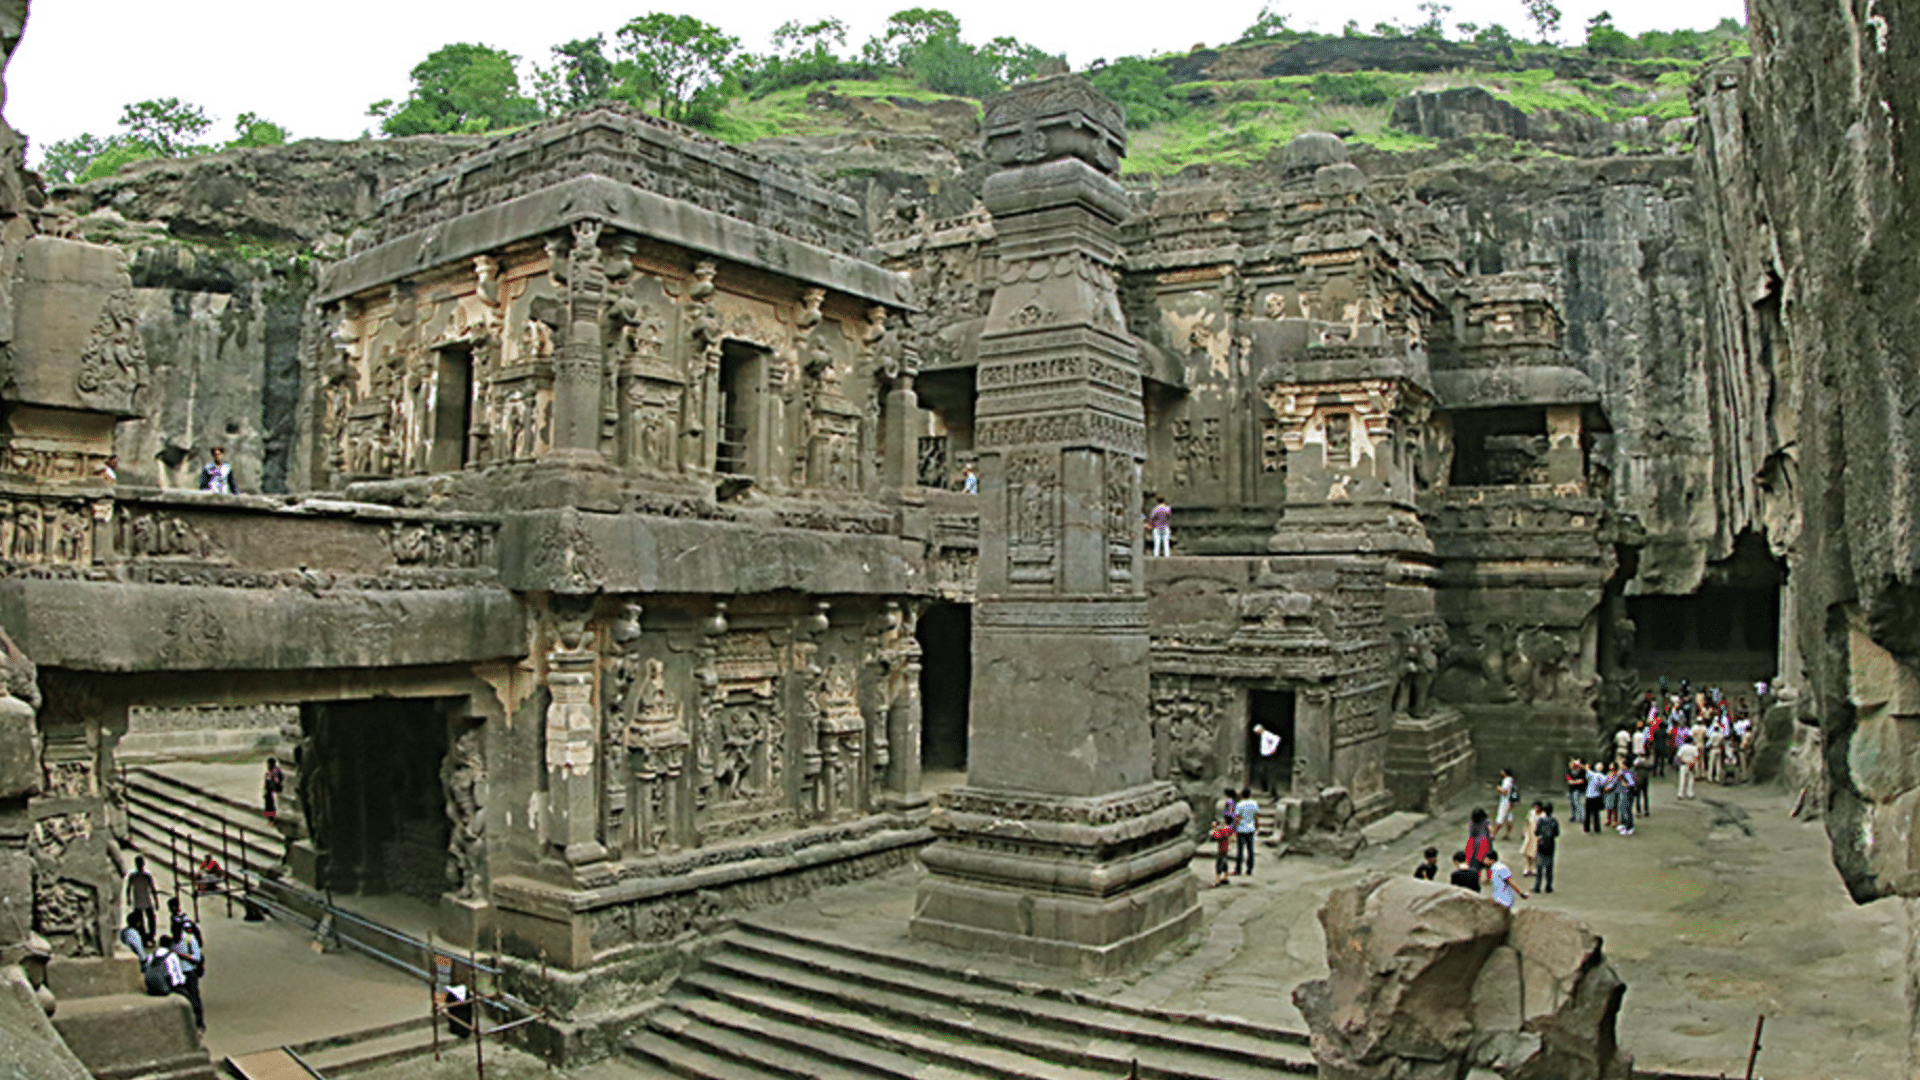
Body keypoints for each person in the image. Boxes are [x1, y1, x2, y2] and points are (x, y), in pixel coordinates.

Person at [150, 935, 203, 1031]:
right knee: (189, 999)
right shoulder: (171, 954)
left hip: (153, 985)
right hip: (171, 983)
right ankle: (193, 1024)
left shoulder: (152, 956)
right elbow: (177, 975)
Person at [126, 856, 157, 941]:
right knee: (150, 920)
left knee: (142, 921)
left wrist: (128, 898)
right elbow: (153, 889)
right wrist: (156, 900)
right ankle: (149, 936)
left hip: (139, 901)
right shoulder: (146, 875)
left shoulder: (134, 875)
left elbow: (128, 888)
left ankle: (145, 936)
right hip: (145, 901)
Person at [1533, 802, 1560, 893]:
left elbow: (1536, 832)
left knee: (1539, 867)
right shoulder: (1554, 821)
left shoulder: (1541, 821)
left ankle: (1537, 886)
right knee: (1549, 866)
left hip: (1541, 844)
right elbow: (1557, 833)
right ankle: (1548, 886)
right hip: (1550, 845)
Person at [1232, 787, 1259, 876]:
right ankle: (1249, 869)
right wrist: (1257, 826)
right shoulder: (1254, 803)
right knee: (1250, 849)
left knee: (1240, 850)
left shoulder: (1240, 804)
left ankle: (1238, 869)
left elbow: (1238, 818)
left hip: (1241, 829)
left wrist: (1234, 828)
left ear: (1242, 795)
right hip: (1250, 829)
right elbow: (1256, 816)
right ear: (1250, 794)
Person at [1250, 723, 1283, 795]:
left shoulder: (1267, 734)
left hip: (1269, 756)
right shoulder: (1262, 736)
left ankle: (1273, 791)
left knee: (1270, 772)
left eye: (1257, 732)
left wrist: (1273, 749)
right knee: (1262, 772)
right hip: (1264, 756)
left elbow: (1277, 738)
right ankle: (1265, 788)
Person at [1209, 814, 1234, 888]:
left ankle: (1217, 879)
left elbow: (1218, 836)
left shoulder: (1224, 829)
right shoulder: (1228, 828)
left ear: (1225, 820)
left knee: (1219, 863)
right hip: (1226, 847)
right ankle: (1226, 877)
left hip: (1222, 848)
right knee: (1224, 862)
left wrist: (1214, 828)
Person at [1492, 768, 1517, 840]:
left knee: (1500, 818)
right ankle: (1507, 834)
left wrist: (1499, 788)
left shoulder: (1506, 781)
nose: (1500, 772)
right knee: (1509, 818)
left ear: (1505, 773)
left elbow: (1505, 792)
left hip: (1505, 802)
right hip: (1510, 802)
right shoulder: (1512, 780)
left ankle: (1493, 835)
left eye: (1502, 771)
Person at [1520, 801, 1543, 876]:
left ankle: (1533, 868)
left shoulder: (1543, 815)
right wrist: (1523, 832)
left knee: (1535, 852)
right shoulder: (1531, 813)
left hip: (1537, 836)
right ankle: (1526, 868)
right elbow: (1527, 823)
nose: (1535, 808)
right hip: (1529, 835)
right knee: (1527, 852)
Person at [1583, 762, 1606, 834]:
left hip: (1591, 795)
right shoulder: (1602, 776)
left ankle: (1587, 829)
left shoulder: (1594, 774)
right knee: (1595, 813)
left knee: (1588, 813)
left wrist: (1586, 767)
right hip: (1596, 795)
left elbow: (1587, 773)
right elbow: (1603, 784)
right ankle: (1596, 829)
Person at [1565, 757, 1588, 823]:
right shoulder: (1568, 772)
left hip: (1578, 790)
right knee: (1572, 804)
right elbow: (1570, 781)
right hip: (1571, 790)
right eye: (1571, 763)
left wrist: (1574, 781)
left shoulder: (1581, 771)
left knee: (1577, 803)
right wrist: (1577, 781)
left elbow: (1582, 781)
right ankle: (1574, 817)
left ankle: (1582, 817)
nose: (1571, 764)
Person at [262, 757, 285, 821]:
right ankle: (269, 817)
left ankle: (271, 818)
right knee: (268, 804)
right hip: (268, 791)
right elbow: (266, 782)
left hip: (272, 790)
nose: (268, 766)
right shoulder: (269, 772)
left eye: (269, 764)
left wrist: (277, 784)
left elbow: (280, 778)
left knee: (271, 805)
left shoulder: (275, 771)